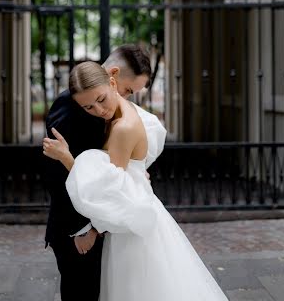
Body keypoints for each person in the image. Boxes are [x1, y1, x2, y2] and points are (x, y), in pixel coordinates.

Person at [43, 61, 229, 301]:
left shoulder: (123, 127)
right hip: (126, 219)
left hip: (129, 223)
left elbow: (111, 190)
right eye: (88, 107)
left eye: (101, 100)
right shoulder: (117, 112)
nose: (98, 111)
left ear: (112, 82)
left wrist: (68, 158)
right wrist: (134, 171)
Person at [43, 45, 151, 301]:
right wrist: (85, 228)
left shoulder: (117, 112)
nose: (127, 96)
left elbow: (112, 166)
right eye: (128, 90)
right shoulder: (69, 107)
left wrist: (135, 175)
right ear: (113, 75)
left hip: (107, 221)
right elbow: (56, 175)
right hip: (77, 228)